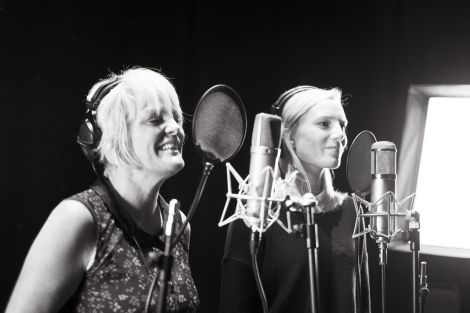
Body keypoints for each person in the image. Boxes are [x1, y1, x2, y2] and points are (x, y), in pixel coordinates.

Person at [6, 67, 199, 313]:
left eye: (177, 118)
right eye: (155, 119)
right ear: (117, 136)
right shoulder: (78, 219)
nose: (176, 128)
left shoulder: (178, 226)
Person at [219, 86, 371, 313]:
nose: (340, 135)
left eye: (342, 125)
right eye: (324, 124)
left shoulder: (350, 210)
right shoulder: (256, 210)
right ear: (289, 134)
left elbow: (362, 300)